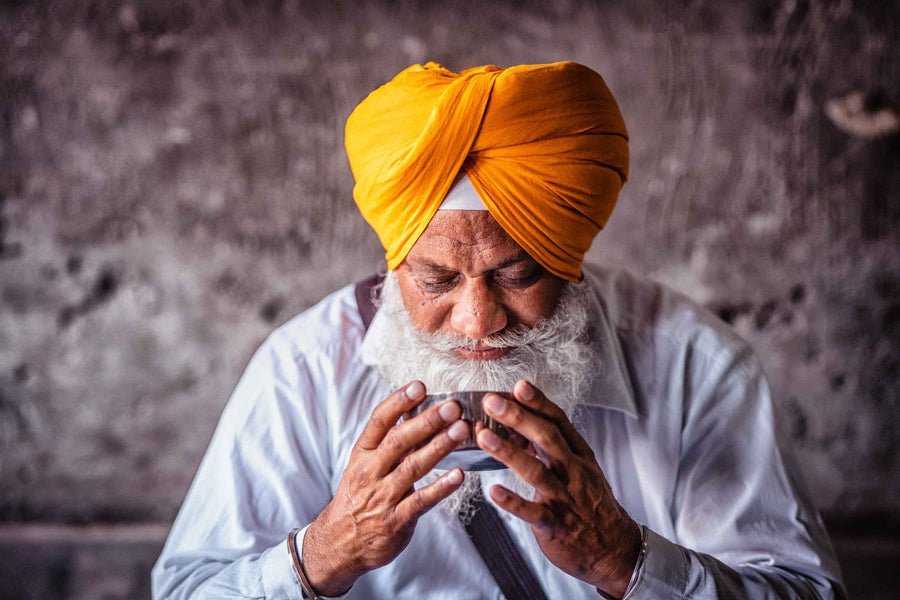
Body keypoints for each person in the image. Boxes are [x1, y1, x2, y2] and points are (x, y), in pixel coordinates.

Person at [152, 62, 846, 599]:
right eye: (436, 280)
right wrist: (324, 553)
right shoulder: (305, 368)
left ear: (570, 261)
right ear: (391, 266)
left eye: (518, 276)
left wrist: (625, 561)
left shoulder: (698, 368)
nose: (478, 323)